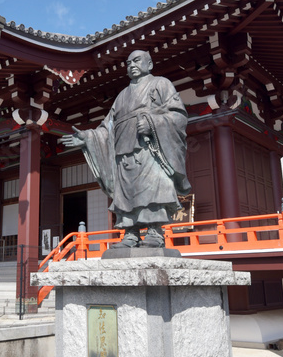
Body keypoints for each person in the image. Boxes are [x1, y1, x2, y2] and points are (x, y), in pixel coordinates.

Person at [60, 49, 191, 249]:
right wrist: (87, 137)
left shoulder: (161, 84)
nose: (131, 65)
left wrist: (153, 123)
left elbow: (178, 116)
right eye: (128, 63)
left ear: (150, 64)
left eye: (137, 61)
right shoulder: (122, 96)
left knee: (153, 189)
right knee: (128, 193)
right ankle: (131, 233)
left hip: (149, 148)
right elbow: (107, 127)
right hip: (124, 151)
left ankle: (155, 232)